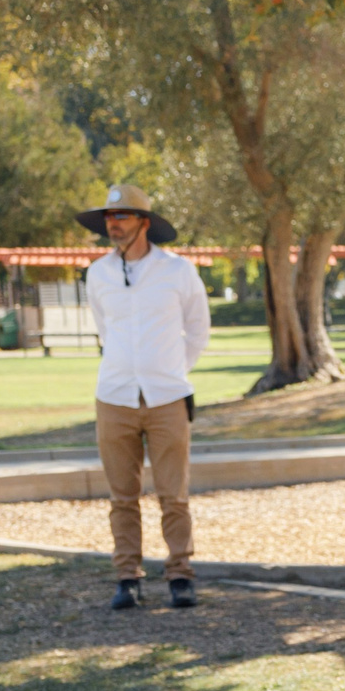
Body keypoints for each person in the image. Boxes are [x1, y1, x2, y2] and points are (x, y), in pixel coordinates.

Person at [79, 184, 211, 611]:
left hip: (167, 397)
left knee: (173, 493)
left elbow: (198, 331)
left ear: (144, 223)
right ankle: (127, 577)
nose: (113, 224)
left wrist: (169, 372)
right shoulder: (97, 273)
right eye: (109, 218)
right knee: (122, 495)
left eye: (122, 216)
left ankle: (179, 575)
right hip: (113, 395)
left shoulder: (177, 271)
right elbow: (104, 330)